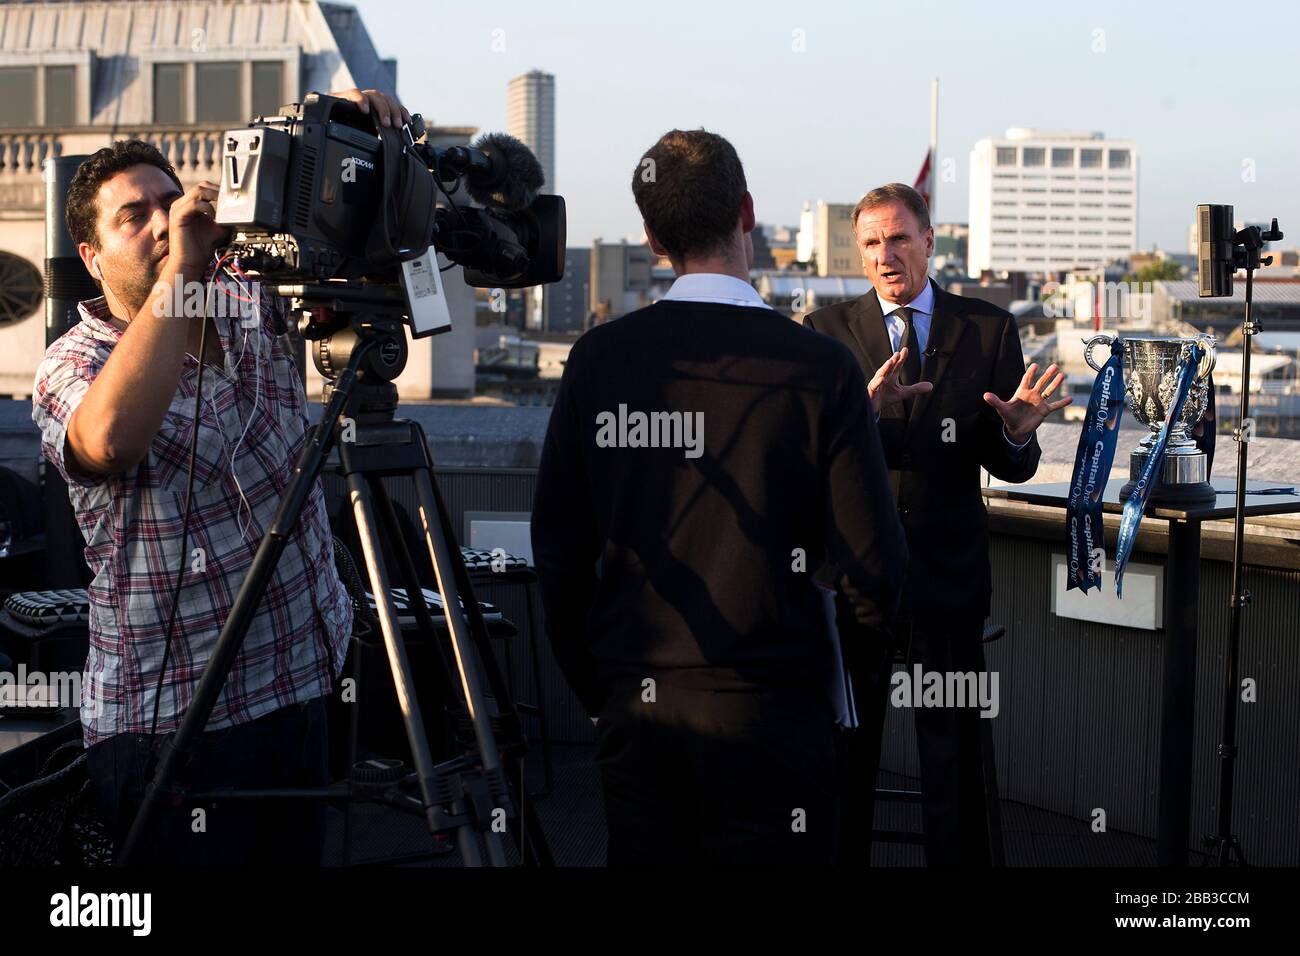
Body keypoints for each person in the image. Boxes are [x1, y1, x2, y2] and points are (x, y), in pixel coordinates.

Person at [31, 88, 411, 865]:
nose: (162, 222)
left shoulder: (250, 306)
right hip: (174, 723)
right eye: (132, 217)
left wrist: (343, 134)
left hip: (300, 680)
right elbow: (107, 441)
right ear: (92, 258)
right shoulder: (73, 363)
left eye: (170, 202)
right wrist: (186, 267)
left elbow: (319, 231)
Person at [531, 129, 908, 866]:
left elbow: (560, 552)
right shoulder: (821, 367)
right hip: (775, 710)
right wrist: (831, 697)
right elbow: (877, 571)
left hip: (638, 709)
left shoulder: (599, 359)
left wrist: (602, 688)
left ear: (649, 235)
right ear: (748, 212)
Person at [804, 182, 1071, 865]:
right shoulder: (825, 333)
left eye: (898, 238)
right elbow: (805, 462)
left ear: (930, 239)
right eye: (871, 243)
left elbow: (1013, 465)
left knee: (949, 765)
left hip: (946, 585)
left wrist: (1015, 436)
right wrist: (860, 413)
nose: (886, 254)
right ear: (859, 255)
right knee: (845, 761)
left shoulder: (987, 329)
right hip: (855, 584)